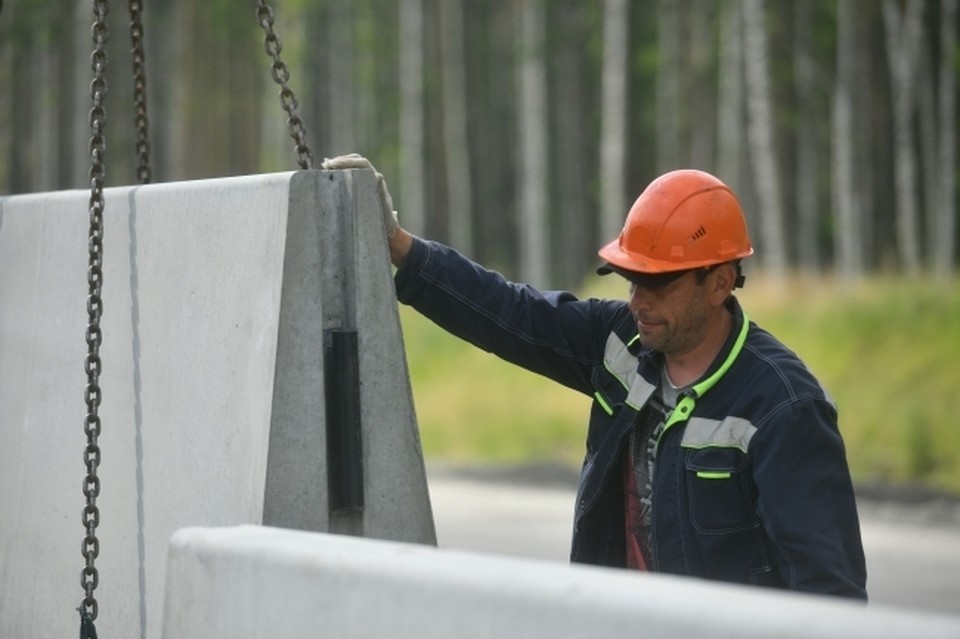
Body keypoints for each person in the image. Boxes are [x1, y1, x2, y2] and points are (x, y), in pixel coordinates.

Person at [321, 154, 868, 600]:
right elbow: (511, 313)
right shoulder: (621, 344)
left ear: (720, 282)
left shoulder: (782, 407)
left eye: (658, 285)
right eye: (631, 280)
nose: (637, 301)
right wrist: (399, 245)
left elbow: (828, 592)